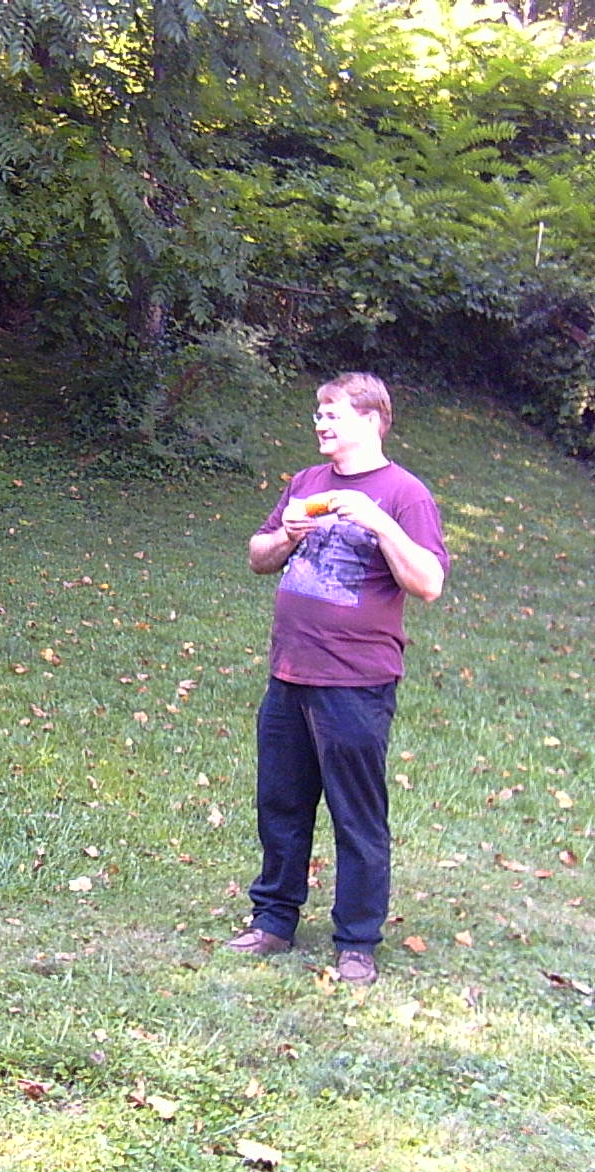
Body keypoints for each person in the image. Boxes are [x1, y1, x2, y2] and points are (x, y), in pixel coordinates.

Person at [226, 372, 447, 986]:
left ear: (370, 421)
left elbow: (428, 583)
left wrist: (379, 523)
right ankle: (273, 921)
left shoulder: (404, 494)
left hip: (355, 682)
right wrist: (286, 535)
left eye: (332, 414)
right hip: (289, 674)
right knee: (281, 804)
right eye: (318, 414)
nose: (320, 423)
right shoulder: (306, 483)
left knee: (356, 816)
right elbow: (258, 555)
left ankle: (356, 941)